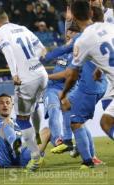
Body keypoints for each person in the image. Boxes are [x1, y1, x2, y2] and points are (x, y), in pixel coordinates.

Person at [0, 7, 48, 171]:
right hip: (41, 74)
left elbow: (7, 50)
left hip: (25, 79)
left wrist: (14, 73)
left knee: (22, 119)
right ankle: (36, 133)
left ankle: (35, 158)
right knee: (35, 105)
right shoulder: (23, 28)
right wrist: (31, 62)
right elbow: (42, 49)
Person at [59, 0, 114, 168]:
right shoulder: (108, 27)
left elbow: (73, 74)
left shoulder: (82, 41)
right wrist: (99, 68)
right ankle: (88, 158)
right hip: (105, 84)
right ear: (91, 13)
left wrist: (63, 93)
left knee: (95, 122)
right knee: (106, 121)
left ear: (74, 17)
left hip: (92, 87)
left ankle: (88, 160)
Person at [0, 93, 50, 169]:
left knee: (47, 131)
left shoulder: (18, 122)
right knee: (6, 122)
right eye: (1, 103)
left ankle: (35, 158)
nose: (5, 105)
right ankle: (18, 148)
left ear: (12, 106)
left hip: (21, 158)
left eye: (8, 102)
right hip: (6, 160)